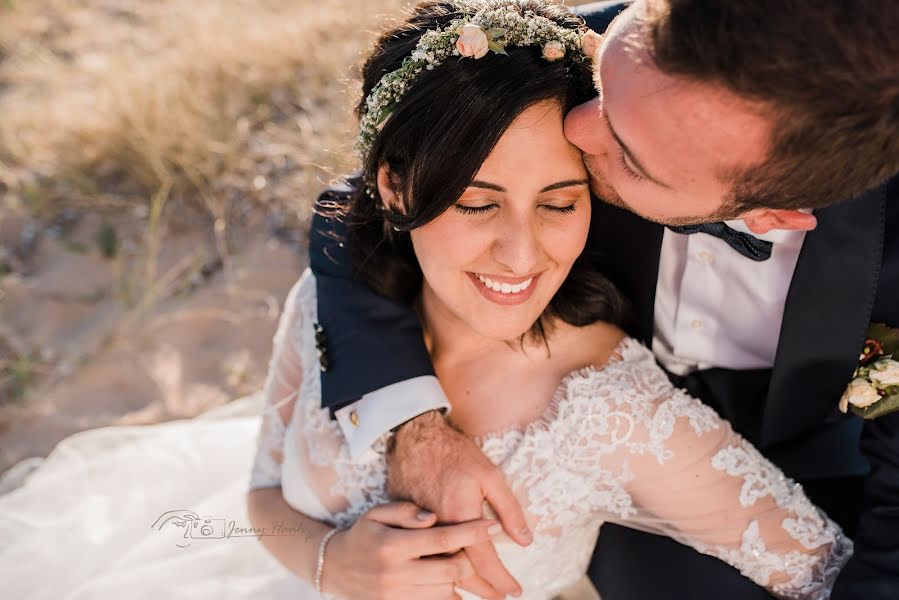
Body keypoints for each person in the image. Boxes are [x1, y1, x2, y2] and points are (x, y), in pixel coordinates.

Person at [0, 1, 854, 599]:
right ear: (393, 188)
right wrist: (332, 564)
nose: (521, 252)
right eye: (477, 203)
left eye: (563, 201)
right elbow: (260, 497)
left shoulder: (609, 408)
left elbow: (823, 570)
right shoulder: (329, 299)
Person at [310, 0, 899, 599]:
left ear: (771, 214)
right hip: (589, 457)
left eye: (628, 155)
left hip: (832, 466)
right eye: (603, 87)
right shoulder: (583, 56)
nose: (580, 126)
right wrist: (412, 423)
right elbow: (365, 200)